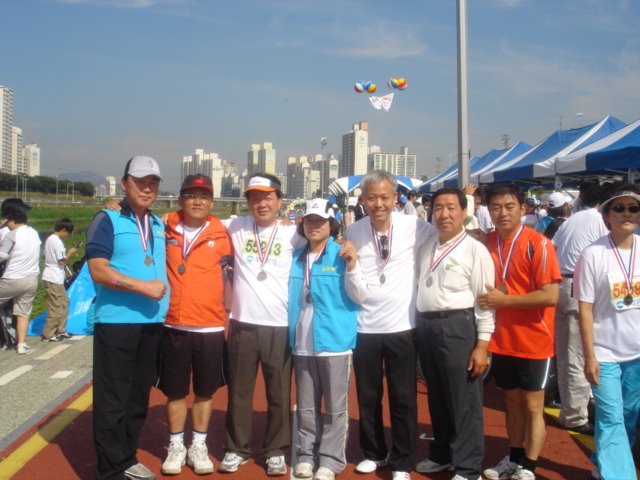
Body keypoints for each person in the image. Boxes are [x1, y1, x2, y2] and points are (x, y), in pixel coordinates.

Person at [344, 170, 436, 480]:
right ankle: (374, 453)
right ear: (363, 200)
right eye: (372, 198)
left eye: (385, 197)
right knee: (368, 397)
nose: (378, 204)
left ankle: (402, 461)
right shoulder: (353, 231)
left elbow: (447, 235)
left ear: (396, 199)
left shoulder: (415, 226)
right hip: (365, 327)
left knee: (404, 398)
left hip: (402, 326)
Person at [86, 155, 169, 480]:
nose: (146, 188)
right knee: (112, 398)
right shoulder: (106, 219)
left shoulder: (159, 224)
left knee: (137, 399)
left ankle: (127, 456)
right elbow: (98, 271)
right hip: (117, 323)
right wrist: (142, 287)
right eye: (139, 182)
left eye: (152, 183)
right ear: (124, 184)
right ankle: (109, 470)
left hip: (151, 325)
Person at [219, 173, 307, 477]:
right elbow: (197, 219)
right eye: (254, 198)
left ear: (279, 201)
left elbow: (326, 236)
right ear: (247, 204)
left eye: (267, 197)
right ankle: (236, 448)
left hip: (280, 325)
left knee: (279, 393)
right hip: (243, 323)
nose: (261, 203)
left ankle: (274, 451)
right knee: (239, 391)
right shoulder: (235, 227)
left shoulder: (295, 234)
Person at [478, 183, 561, 480]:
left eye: (509, 206)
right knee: (510, 403)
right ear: (489, 211)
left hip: (535, 340)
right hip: (502, 341)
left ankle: (530, 465)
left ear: (522, 209)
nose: (503, 213)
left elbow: (551, 295)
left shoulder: (538, 244)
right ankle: (513, 459)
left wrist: (505, 300)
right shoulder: (486, 242)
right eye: (496, 207)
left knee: (532, 405)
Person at [415, 187, 495, 480]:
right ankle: (442, 454)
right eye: (438, 208)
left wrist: (481, 346)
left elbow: (485, 302)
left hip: (458, 327)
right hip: (426, 327)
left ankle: (467, 467)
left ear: (464, 212)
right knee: (437, 396)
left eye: (451, 208)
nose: (444, 214)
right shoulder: (427, 246)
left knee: (463, 399)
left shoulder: (475, 249)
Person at [288, 199, 367, 480]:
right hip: (301, 342)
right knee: (306, 405)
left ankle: (331, 460)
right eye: (309, 220)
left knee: (335, 408)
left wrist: (354, 265)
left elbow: (360, 295)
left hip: (334, 342)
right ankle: (306, 454)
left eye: (320, 221)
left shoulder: (342, 253)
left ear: (330, 225)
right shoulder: (296, 256)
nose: (313, 226)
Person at [159, 174, 232, 476]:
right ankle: (176, 445)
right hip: (173, 324)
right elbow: (132, 216)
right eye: (190, 195)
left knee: (205, 391)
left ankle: (198, 445)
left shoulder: (224, 232)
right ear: (180, 200)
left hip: (210, 326)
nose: (197, 201)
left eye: (203, 196)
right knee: (174, 392)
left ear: (212, 202)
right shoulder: (162, 227)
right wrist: (113, 205)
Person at [574, 184, 640, 480]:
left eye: (633, 208)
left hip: (637, 353)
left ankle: (605, 461)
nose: (626, 213)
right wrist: (590, 356)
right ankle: (619, 475)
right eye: (619, 208)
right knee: (612, 417)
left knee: (629, 416)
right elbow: (585, 309)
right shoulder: (592, 254)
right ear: (606, 215)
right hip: (605, 352)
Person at [551, 185, 606, 436]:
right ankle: (574, 415)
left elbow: (553, 248)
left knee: (566, 355)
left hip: (561, 284)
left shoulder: (572, 220)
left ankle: (569, 409)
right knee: (577, 356)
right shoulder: (600, 221)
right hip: (578, 286)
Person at [0, 205, 41, 355]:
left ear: (10, 219)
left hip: (12, 279)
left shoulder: (12, 235)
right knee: (23, 313)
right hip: (31, 279)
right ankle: (22, 345)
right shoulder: (34, 233)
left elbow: (3, 255)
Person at [41, 218, 78, 342]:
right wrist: (71, 252)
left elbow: (44, 256)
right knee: (56, 305)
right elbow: (61, 260)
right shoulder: (57, 242)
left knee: (64, 301)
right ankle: (48, 333)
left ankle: (61, 330)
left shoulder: (49, 239)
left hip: (55, 276)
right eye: (67, 233)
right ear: (63, 230)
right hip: (53, 277)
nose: (66, 236)